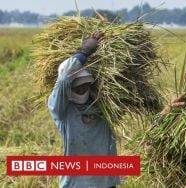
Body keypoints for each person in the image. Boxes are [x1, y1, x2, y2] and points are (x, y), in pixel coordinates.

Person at [48, 31, 120, 188]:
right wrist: (85, 51)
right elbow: (64, 76)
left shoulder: (104, 105)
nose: (82, 90)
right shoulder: (62, 110)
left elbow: (139, 109)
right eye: (77, 86)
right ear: (69, 87)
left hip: (106, 182)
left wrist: (167, 109)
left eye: (85, 85)